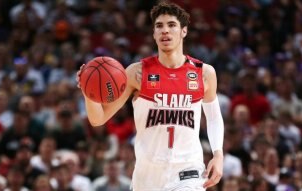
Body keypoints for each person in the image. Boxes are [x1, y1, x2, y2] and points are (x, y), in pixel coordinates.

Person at [77, 2, 224, 190]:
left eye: (171, 25)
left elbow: (213, 117)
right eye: (159, 26)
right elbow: (98, 119)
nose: (165, 31)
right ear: (154, 34)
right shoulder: (136, 73)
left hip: (188, 171)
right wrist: (88, 90)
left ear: (183, 31)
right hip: (147, 176)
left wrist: (218, 154)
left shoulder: (204, 73)